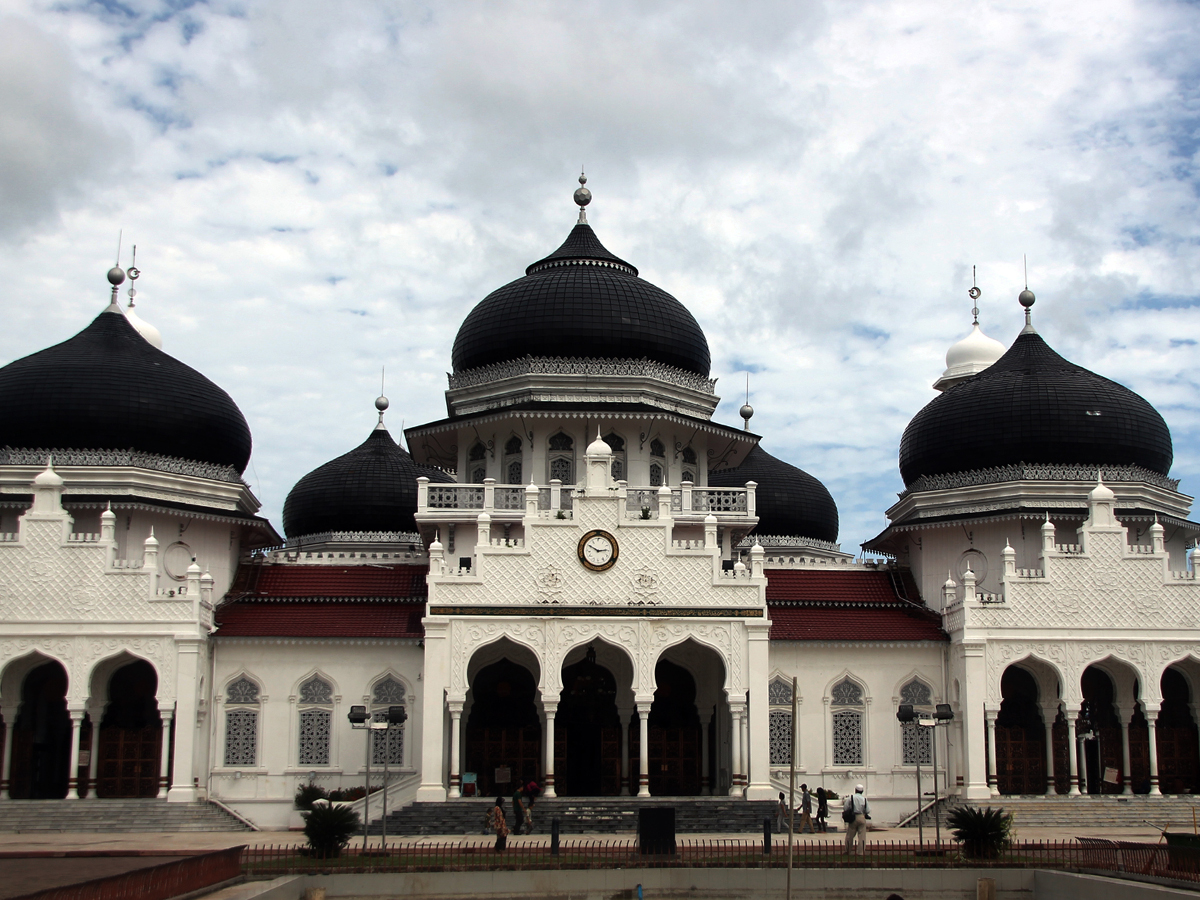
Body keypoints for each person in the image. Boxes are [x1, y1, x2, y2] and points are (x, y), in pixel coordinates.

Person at [843, 783, 870, 855]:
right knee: (862, 836)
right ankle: (860, 852)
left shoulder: (851, 798)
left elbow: (845, 807)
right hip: (861, 817)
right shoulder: (864, 799)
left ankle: (847, 850)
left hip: (853, 817)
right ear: (862, 791)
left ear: (855, 790)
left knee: (850, 836)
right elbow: (867, 810)